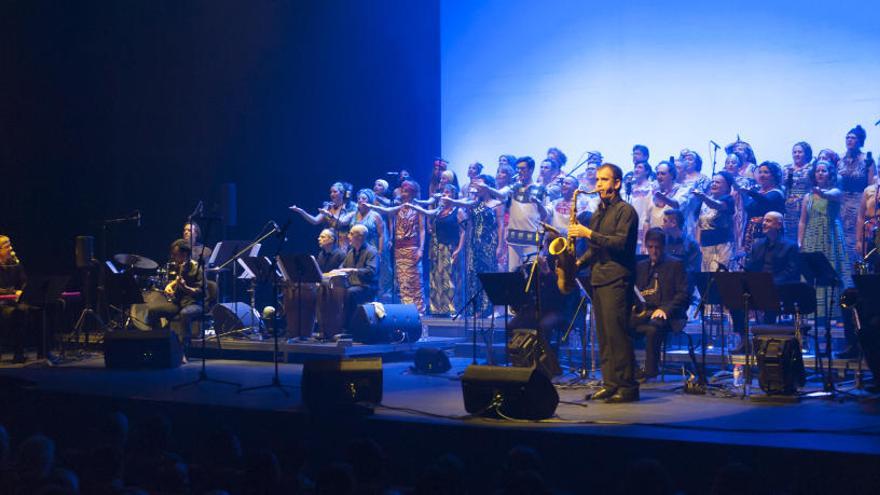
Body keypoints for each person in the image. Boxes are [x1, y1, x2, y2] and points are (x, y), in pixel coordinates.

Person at [568, 163, 640, 403]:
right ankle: (610, 383)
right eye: (597, 180)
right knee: (604, 335)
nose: (598, 184)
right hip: (598, 277)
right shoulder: (599, 212)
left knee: (618, 334)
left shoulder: (626, 211)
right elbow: (596, 247)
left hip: (617, 277)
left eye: (604, 180)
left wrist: (587, 233)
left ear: (616, 183)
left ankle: (627, 386)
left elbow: (619, 244)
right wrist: (578, 263)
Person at [731, 211, 800, 353]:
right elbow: (750, 267)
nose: (764, 223)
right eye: (764, 220)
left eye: (768, 221)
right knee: (735, 299)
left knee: (770, 295)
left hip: (780, 287)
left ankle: (768, 341)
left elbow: (791, 272)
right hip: (759, 285)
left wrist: (770, 282)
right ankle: (744, 341)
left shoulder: (790, 246)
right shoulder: (758, 245)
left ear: (778, 225)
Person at [798, 160, 852, 336]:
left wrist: (820, 192)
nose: (820, 173)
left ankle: (833, 313)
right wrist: (800, 241)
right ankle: (813, 313)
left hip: (830, 236)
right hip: (812, 236)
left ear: (830, 174)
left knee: (830, 271)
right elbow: (803, 220)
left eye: (824, 171)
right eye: (818, 171)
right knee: (812, 274)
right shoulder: (808, 197)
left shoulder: (835, 191)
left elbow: (831, 195)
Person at [630, 228, 689, 380]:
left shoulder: (676, 265)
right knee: (620, 325)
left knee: (653, 328)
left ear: (664, 246)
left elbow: (684, 294)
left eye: (657, 247)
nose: (654, 251)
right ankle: (632, 369)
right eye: (650, 247)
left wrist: (665, 309)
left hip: (669, 315)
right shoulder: (641, 266)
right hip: (646, 312)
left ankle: (650, 371)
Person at [444, 175, 502, 316]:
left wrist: (500, 246)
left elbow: (500, 227)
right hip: (474, 242)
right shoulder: (473, 203)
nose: (477, 188)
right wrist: (451, 201)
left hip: (489, 243)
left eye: (479, 185)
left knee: (488, 273)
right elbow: (463, 206)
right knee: (474, 275)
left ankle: (488, 308)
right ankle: (477, 308)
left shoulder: (497, 204)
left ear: (487, 186)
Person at [478, 157, 549, 270]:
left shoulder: (541, 189)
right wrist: (488, 189)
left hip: (532, 239)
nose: (520, 171)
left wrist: (539, 204)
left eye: (523, 169)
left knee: (531, 273)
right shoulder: (513, 187)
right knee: (514, 273)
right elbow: (500, 194)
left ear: (531, 169)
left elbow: (546, 215)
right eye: (518, 169)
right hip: (513, 238)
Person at [366, 180, 426, 314]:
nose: (402, 193)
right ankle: (407, 310)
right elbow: (386, 210)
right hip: (399, 248)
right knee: (402, 279)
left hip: (413, 247)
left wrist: (421, 249)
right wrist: (370, 204)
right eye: (402, 190)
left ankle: (419, 310)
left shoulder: (419, 207)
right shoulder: (398, 207)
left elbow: (422, 229)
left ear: (412, 193)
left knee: (415, 279)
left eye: (405, 191)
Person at [407, 184, 467, 316]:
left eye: (447, 193)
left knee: (450, 278)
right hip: (437, 248)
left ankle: (453, 308)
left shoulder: (459, 211)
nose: (444, 195)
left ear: (453, 195)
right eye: (443, 193)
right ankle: (439, 308)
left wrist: (459, 249)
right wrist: (413, 205)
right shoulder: (439, 211)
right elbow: (427, 213)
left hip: (450, 247)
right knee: (436, 278)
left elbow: (463, 232)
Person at [138, 239, 205, 356]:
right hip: (179, 303)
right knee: (153, 310)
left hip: (195, 304)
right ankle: (160, 343)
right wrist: (171, 285)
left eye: (175, 254)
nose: (173, 257)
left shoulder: (197, 268)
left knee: (185, 314)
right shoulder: (181, 266)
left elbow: (201, 292)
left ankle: (183, 351)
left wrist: (186, 288)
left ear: (184, 254)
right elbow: (178, 280)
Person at [839, 125, 876, 257]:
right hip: (841, 203)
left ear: (859, 140)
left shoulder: (867, 160)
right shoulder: (840, 159)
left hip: (858, 202)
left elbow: (871, 186)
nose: (849, 140)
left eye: (853, 138)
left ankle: (856, 272)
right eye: (847, 137)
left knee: (856, 237)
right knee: (840, 237)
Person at [289, 182, 357, 250]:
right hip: (329, 243)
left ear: (343, 194)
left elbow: (342, 222)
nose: (332, 194)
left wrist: (329, 214)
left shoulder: (351, 207)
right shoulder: (329, 207)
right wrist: (301, 211)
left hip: (343, 245)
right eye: (331, 192)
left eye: (335, 192)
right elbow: (315, 221)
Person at [693, 172, 736, 271]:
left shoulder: (728, 199)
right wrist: (698, 244)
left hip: (722, 246)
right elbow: (699, 224)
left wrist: (704, 197)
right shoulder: (704, 201)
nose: (714, 184)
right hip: (705, 246)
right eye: (712, 182)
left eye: (718, 182)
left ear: (726, 187)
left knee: (720, 277)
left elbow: (718, 206)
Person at [740, 161, 786, 255]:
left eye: (766, 172)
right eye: (760, 172)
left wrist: (750, 193)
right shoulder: (756, 192)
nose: (762, 175)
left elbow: (766, 202)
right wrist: (743, 240)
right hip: (752, 234)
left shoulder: (777, 193)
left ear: (773, 176)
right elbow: (749, 213)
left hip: (769, 235)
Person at [338, 225, 378, 330]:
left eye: (351, 234)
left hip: (367, 287)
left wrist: (353, 270)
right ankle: (333, 325)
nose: (348, 236)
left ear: (360, 237)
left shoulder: (371, 251)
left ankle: (348, 328)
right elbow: (342, 267)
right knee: (336, 291)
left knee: (350, 293)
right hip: (353, 286)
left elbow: (371, 272)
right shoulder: (351, 252)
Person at [0, 235, 27, 363]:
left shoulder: (15, 264)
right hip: (2, 302)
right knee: (16, 312)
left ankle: (43, 352)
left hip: (13, 301)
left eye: (10, 244)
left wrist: (23, 291)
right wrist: (13, 292)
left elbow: (24, 282)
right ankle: (18, 353)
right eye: (6, 246)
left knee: (45, 307)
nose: (10, 248)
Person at [783, 142, 814, 244]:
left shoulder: (811, 168)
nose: (797, 154)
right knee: (788, 235)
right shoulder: (786, 168)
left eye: (800, 152)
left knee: (804, 234)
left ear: (806, 154)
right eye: (794, 152)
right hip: (788, 205)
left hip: (805, 204)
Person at [643, 161, 683, 231]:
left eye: (663, 174)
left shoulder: (680, 191)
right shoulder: (652, 193)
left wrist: (663, 198)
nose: (659, 177)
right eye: (657, 174)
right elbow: (646, 221)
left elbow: (677, 205)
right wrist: (644, 241)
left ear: (672, 175)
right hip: (654, 238)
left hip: (671, 238)